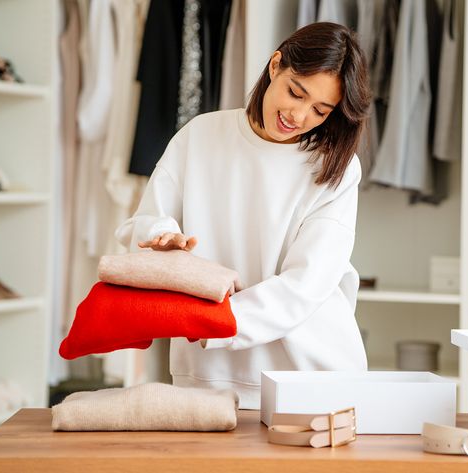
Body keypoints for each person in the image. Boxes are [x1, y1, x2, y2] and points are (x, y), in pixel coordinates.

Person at [115, 22, 371, 409]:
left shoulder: (335, 168)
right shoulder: (200, 135)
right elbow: (147, 221)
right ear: (275, 66)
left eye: (320, 110)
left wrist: (216, 321)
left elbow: (307, 283)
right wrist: (164, 239)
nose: (298, 116)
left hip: (309, 372)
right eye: (295, 92)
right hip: (207, 370)